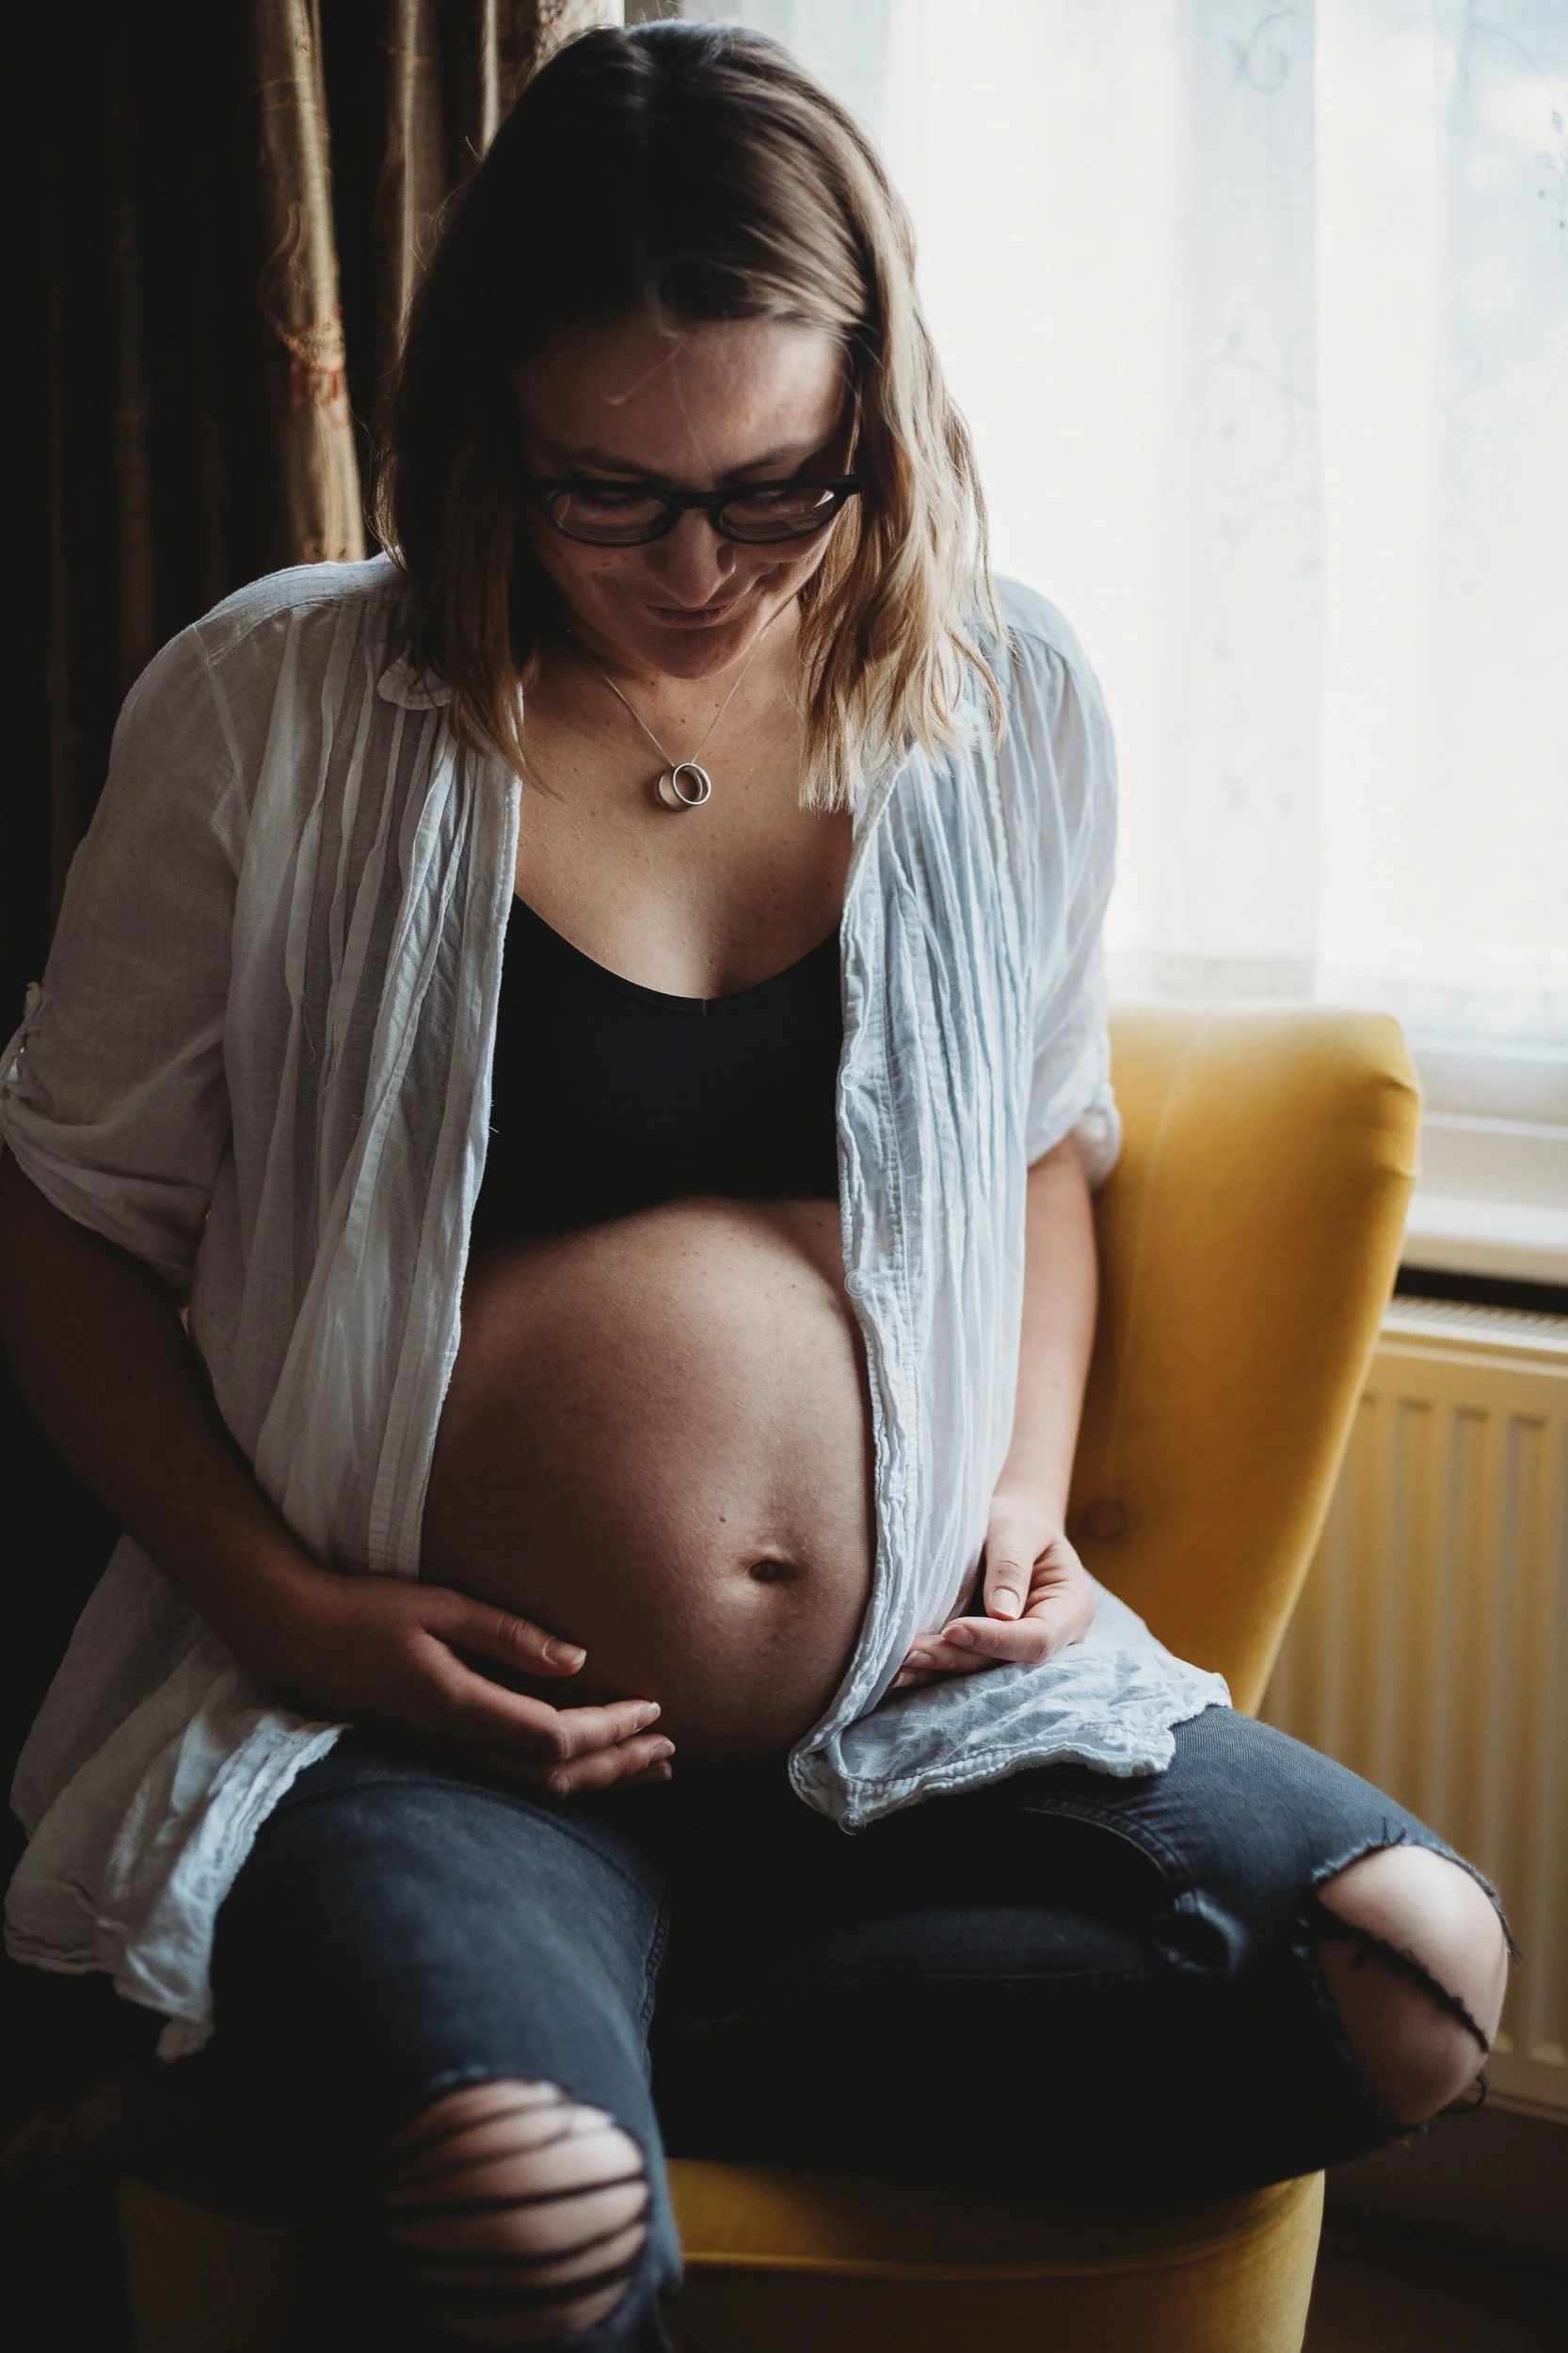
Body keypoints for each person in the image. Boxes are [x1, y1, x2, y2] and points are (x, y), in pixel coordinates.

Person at [0, 22, 1508, 2350]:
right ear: (483, 428)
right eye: (607, 492)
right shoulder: (271, 712)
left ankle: (518, 2020)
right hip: (437, 1729)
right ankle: (486, 2015)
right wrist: (286, 1605)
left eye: (773, 488)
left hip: (899, 1737)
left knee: (1413, 1971)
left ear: (872, 424)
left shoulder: (1003, 703)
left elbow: (1032, 1135)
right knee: (529, 2222)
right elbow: (67, 1216)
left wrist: (1017, 1483)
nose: (696, 567)